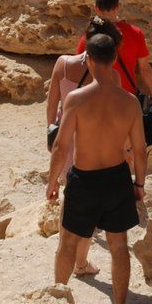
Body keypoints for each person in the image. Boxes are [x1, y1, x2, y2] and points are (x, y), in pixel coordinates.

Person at [46, 32, 146, 304]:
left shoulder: (76, 99)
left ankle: (59, 300)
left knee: (68, 242)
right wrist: (139, 184)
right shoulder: (130, 102)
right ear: (114, 59)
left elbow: (61, 147)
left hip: (84, 179)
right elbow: (139, 150)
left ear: (88, 59)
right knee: (119, 245)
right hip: (117, 178)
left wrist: (52, 181)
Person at [46, 17, 124, 278]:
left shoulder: (63, 63)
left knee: (70, 198)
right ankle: (80, 262)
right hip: (92, 142)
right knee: (89, 204)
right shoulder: (111, 76)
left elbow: (52, 103)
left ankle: (64, 254)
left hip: (64, 138)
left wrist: (51, 133)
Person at [75, 0, 152, 98]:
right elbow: (145, 69)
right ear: (118, 7)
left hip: (97, 98)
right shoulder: (135, 33)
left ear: (96, 8)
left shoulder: (89, 36)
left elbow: (79, 68)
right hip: (127, 97)